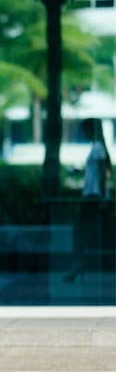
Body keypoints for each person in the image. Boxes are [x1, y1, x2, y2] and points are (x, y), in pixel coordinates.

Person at [64, 118, 113, 282]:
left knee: (80, 231)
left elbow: (102, 174)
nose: (83, 133)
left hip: (93, 197)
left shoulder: (97, 148)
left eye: (85, 130)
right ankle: (80, 265)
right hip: (93, 196)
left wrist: (102, 197)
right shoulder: (97, 147)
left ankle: (78, 265)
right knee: (90, 232)